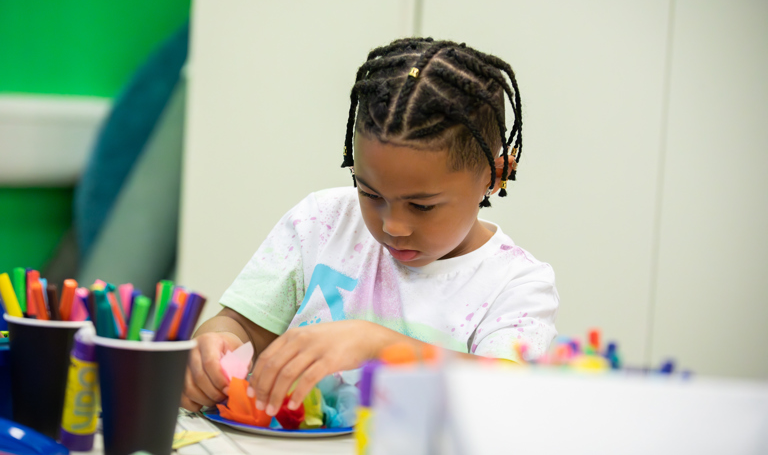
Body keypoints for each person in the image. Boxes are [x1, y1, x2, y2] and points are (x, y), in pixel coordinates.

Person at [180, 38, 559, 417]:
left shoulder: (517, 284)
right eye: (370, 193)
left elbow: (511, 395)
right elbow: (240, 325)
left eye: (422, 205)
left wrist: (377, 345)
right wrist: (215, 346)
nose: (393, 226)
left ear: (495, 176)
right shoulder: (320, 222)